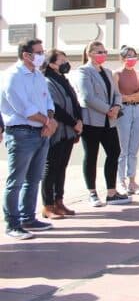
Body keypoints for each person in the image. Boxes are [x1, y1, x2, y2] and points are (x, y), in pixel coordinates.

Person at [1, 39, 56, 239]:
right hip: (22, 133)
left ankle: (28, 217)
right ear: (26, 55)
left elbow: (47, 100)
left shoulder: (38, 76)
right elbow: (22, 107)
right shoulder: (13, 76)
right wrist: (46, 121)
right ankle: (12, 224)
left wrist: (49, 118)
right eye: (39, 52)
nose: (42, 55)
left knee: (34, 179)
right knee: (16, 181)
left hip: (41, 132)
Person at [73, 41, 129, 207]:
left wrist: (117, 107)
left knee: (114, 152)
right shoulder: (84, 71)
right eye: (99, 52)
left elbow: (117, 94)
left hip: (109, 121)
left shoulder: (108, 72)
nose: (103, 54)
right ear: (90, 53)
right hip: (92, 121)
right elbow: (87, 97)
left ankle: (111, 192)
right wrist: (107, 109)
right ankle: (92, 192)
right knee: (91, 155)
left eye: (104, 51)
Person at [41, 50, 82, 219]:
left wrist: (79, 120)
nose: (65, 64)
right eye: (61, 61)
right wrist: (73, 122)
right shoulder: (47, 81)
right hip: (58, 131)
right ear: (51, 64)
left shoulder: (64, 80)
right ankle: (48, 205)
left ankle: (59, 201)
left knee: (62, 167)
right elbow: (56, 107)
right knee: (51, 167)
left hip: (69, 131)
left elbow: (74, 101)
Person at [114, 46, 139, 195]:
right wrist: (131, 97)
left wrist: (131, 97)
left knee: (134, 149)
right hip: (124, 111)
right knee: (123, 148)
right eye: (128, 56)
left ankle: (132, 180)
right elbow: (117, 96)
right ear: (122, 58)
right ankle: (120, 180)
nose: (131, 58)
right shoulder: (117, 74)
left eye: (134, 55)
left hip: (138, 110)